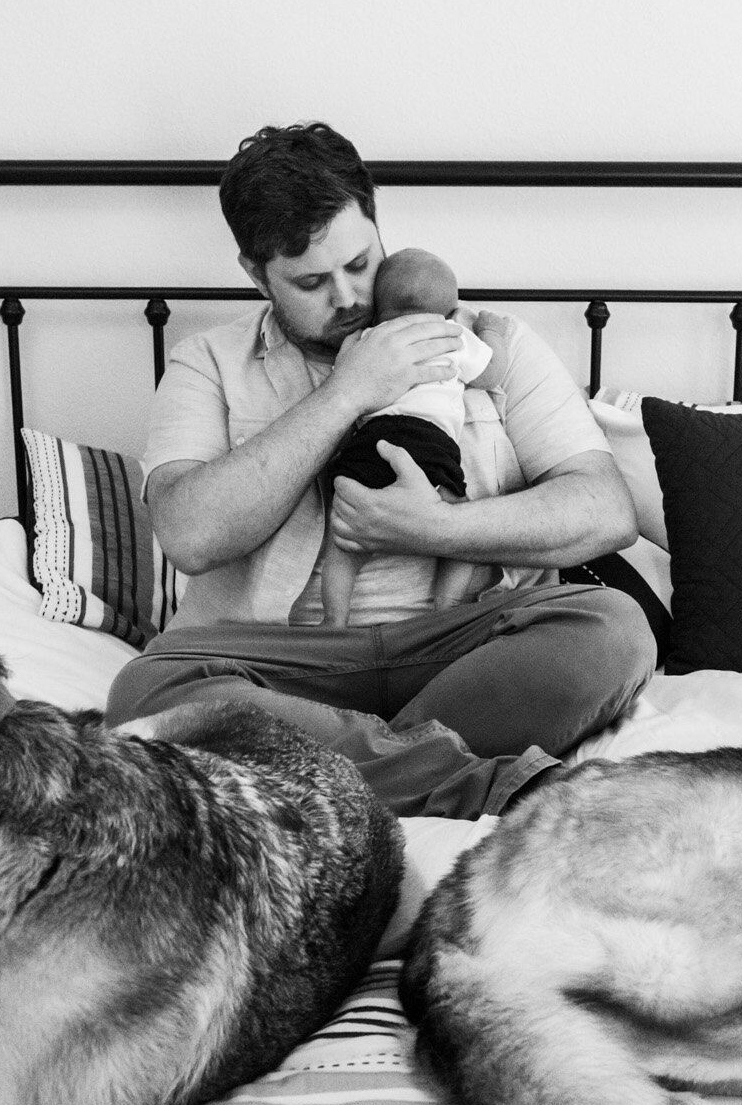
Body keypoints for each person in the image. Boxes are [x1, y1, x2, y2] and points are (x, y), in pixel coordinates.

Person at [103, 122, 650, 819]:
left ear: (376, 221)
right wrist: (347, 392)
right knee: (146, 689)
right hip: (283, 666)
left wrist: (442, 527)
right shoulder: (205, 364)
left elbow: (604, 511)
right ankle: (454, 778)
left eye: (360, 262)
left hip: (465, 651)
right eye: (311, 281)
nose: (348, 297)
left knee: (615, 626)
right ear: (254, 273)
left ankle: (345, 771)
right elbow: (189, 534)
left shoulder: (486, 343)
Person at [316, 246, 488, 627]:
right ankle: (445, 612)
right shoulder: (451, 335)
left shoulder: (367, 340)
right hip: (429, 445)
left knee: (342, 545)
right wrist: (487, 334)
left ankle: (334, 619)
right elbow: (491, 375)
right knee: (467, 535)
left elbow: (344, 377)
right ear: (451, 309)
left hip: (370, 441)